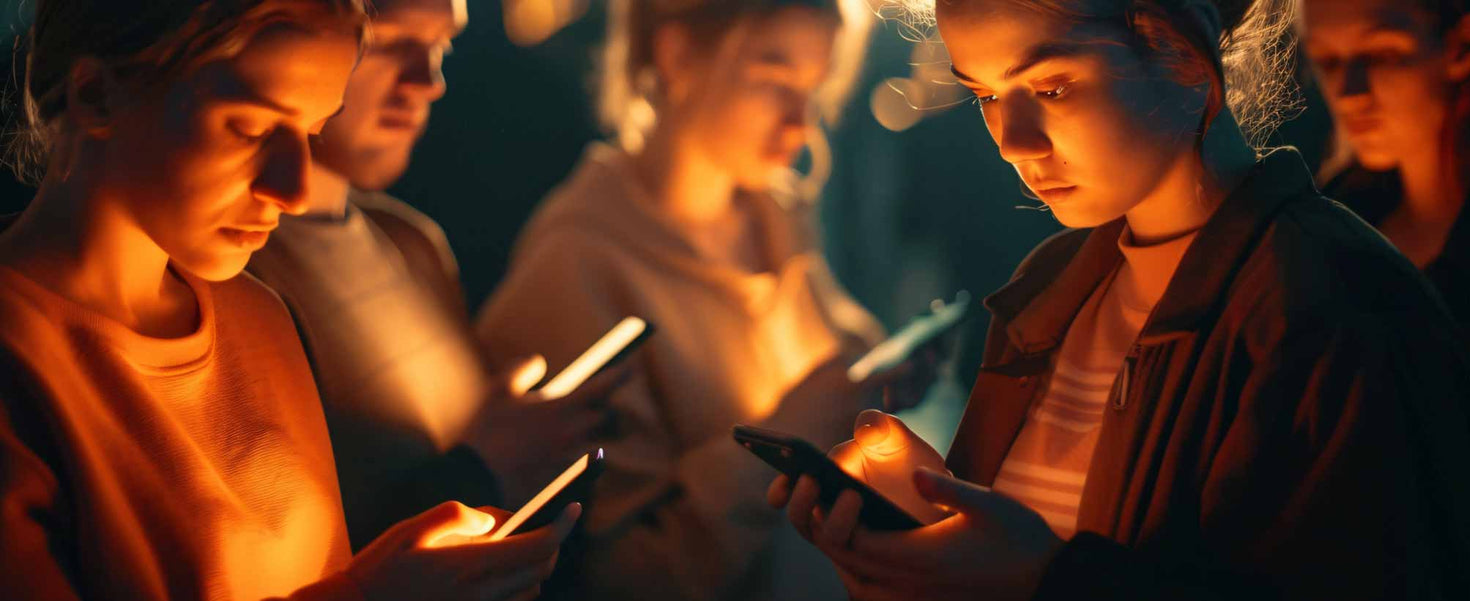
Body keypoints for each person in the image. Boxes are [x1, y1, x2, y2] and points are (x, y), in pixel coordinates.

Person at [770, 0, 1470, 599]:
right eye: (986, 95)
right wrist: (919, 541)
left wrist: (1047, 579)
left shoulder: (1335, 306)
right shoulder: (1050, 290)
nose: (1011, 141)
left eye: (1052, 87)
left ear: (1183, 51)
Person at [0, 1, 575, 598]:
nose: (296, 189)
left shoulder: (261, 319)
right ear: (95, 95)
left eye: (313, 131)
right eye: (249, 128)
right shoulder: (21, 368)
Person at [475, 0, 941, 598]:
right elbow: (627, 577)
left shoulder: (772, 214)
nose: (801, 123)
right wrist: (785, 435)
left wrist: (880, 373)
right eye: (774, 79)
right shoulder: (577, 269)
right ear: (676, 55)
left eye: (815, 89)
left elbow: (838, 337)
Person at [245, 0, 625, 551]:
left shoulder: (411, 244)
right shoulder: (236, 275)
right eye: (385, 44)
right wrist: (482, 468)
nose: (428, 81)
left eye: (441, 45)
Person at [1301, 0, 1470, 378]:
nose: (1349, 93)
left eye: (1381, 54)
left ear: (1463, 47)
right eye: (1327, 61)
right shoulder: (1331, 223)